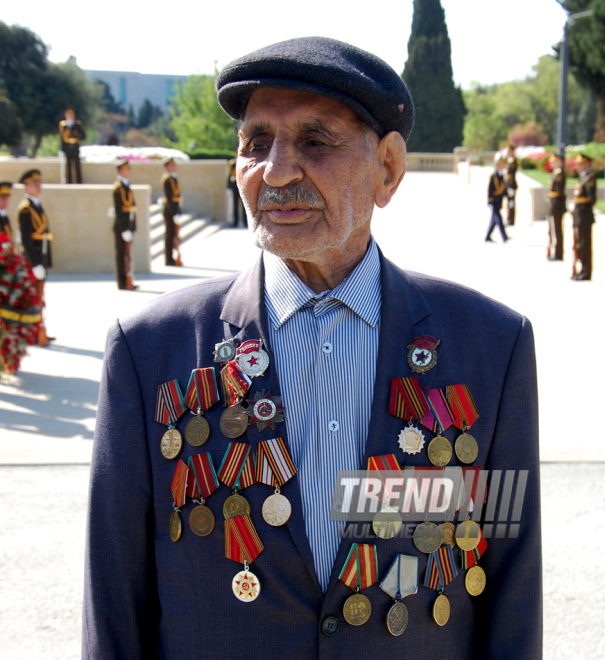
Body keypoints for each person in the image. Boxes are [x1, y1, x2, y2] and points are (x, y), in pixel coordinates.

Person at [83, 37, 541, 659]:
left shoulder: (489, 347)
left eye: (314, 142)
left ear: (388, 168)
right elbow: (114, 604)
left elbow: (509, 586)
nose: (275, 171)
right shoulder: (150, 352)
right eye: (256, 144)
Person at [17, 169, 54, 345]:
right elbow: (26, 239)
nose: (39, 186)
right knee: (34, 297)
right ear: (27, 186)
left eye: (39, 183)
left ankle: (40, 329)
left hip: (42, 257)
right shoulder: (25, 209)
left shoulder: (37, 205)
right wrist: (34, 264)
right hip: (34, 260)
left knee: (40, 296)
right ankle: (34, 333)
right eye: (34, 184)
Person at [112, 160, 138, 290]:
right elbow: (118, 210)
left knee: (127, 255)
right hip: (122, 226)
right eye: (126, 169)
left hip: (129, 224)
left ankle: (128, 278)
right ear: (121, 171)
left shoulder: (127, 185)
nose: (128, 171)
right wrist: (124, 229)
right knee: (121, 254)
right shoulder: (118, 188)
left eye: (129, 169)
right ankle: (122, 282)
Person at [571, 153, 596, 281]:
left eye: (581, 164)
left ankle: (586, 272)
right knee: (580, 244)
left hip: (584, 215)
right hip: (579, 215)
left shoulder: (589, 177)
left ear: (587, 164)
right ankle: (582, 270)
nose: (579, 166)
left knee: (585, 245)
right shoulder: (583, 177)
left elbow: (592, 199)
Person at [160, 158, 182, 266]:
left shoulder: (173, 178)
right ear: (167, 167)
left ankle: (172, 257)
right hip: (169, 211)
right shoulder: (167, 179)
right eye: (171, 165)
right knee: (169, 236)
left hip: (174, 209)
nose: (174, 167)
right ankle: (168, 259)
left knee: (173, 235)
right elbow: (169, 198)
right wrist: (174, 213)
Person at [547, 154, 566, 261]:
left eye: (554, 161)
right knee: (555, 230)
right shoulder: (555, 172)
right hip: (554, 204)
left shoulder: (559, 173)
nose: (552, 163)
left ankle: (559, 253)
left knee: (558, 230)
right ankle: (556, 252)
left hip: (557, 205)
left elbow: (559, 191)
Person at [59, 108, 86, 184]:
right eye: (69, 115)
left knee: (77, 165)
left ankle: (79, 182)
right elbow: (62, 138)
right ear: (66, 115)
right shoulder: (63, 125)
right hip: (67, 148)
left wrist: (77, 135)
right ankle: (69, 182)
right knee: (68, 166)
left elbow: (83, 136)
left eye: (72, 115)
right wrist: (62, 149)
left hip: (75, 147)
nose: (71, 116)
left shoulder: (77, 124)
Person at [485, 158, 509, 243]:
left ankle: (487, 236)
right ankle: (504, 237)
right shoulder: (493, 176)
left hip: (499, 201)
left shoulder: (502, 175)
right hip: (494, 201)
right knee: (499, 219)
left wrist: (508, 196)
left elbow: (503, 189)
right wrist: (490, 201)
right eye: (502, 164)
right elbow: (490, 189)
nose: (504, 166)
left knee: (494, 220)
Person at [227, 155, 247, 227]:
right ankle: (235, 222)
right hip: (235, 185)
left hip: (242, 185)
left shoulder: (244, 162)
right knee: (234, 204)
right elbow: (229, 174)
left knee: (244, 205)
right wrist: (228, 186)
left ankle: (245, 222)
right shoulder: (232, 163)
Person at [504, 145, 518, 226]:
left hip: (511, 184)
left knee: (511, 203)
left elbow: (511, 174)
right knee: (509, 202)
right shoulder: (509, 160)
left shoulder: (512, 161)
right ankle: (509, 218)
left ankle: (511, 219)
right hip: (508, 184)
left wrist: (510, 186)